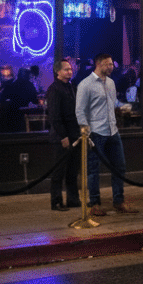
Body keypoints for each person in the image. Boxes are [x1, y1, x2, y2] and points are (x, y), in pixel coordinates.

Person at [75, 53, 138, 216]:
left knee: (120, 166)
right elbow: (80, 111)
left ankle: (119, 201)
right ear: (98, 64)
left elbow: (113, 102)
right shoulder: (85, 84)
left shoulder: (111, 83)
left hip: (112, 130)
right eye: (107, 64)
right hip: (96, 132)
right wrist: (86, 131)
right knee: (93, 170)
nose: (111, 67)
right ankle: (94, 203)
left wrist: (124, 106)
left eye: (111, 64)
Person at [46, 59, 81, 211]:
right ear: (58, 71)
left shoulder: (71, 87)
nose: (70, 72)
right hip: (61, 137)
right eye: (66, 69)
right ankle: (56, 201)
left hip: (75, 134)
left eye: (70, 69)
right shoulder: (54, 89)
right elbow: (54, 116)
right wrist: (63, 136)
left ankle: (73, 199)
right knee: (58, 171)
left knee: (73, 170)